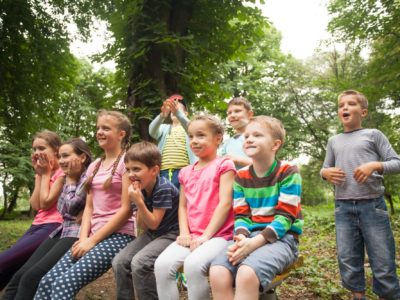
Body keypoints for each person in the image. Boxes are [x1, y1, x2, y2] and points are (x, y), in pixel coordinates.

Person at [34, 110, 136, 300]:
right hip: (91, 235)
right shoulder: (95, 165)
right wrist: (82, 239)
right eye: (98, 128)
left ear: (121, 134)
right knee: (47, 282)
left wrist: (92, 240)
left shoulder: (127, 162)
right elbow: (89, 207)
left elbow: (126, 209)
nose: (99, 132)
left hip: (120, 235)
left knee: (63, 284)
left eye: (106, 128)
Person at [210, 115, 303, 300]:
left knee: (247, 273)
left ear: (275, 145)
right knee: (218, 271)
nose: (249, 139)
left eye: (257, 135)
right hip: (250, 236)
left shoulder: (288, 171)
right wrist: (243, 237)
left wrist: (254, 243)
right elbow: (241, 215)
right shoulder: (241, 176)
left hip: (283, 239)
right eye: (246, 136)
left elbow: (285, 217)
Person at [320, 90, 400, 300]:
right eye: (341, 105)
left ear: (363, 111)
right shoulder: (333, 140)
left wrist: (375, 165)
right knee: (348, 258)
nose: (344, 108)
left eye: (351, 104)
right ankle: (358, 296)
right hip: (343, 208)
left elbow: (396, 162)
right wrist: (326, 173)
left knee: (382, 258)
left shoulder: (373, 135)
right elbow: (324, 168)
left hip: (372, 206)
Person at [154, 114, 236, 300]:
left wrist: (206, 235)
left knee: (193, 265)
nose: (194, 141)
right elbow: (183, 206)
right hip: (192, 236)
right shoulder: (185, 172)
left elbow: (225, 203)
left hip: (219, 235)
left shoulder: (224, 164)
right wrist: (184, 233)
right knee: (161, 265)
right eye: (191, 136)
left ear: (218, 139)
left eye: (201, 135)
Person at [1, 138, 92, 300]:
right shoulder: (64, 178)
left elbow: (69, 206)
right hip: (61, 230)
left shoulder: (87, 178)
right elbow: (62, 210)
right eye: (60, 157)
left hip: (75, 233)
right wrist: (43, 175)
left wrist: (69, 181)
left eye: (65, 156)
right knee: (19, 276)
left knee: (31, 278)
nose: (62, 160)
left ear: (82, 158)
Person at [112, 141, 179, 300]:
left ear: (154, 170)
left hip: (172, 234)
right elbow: (143, 225)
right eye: (128, 169)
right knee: (119, 262)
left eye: (136, 169)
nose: (130, 174)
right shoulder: (139, 190)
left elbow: (154, 222)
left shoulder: (163, 188)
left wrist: (139, 202)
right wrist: (138, 200)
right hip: (153, 233)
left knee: (140, 263)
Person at [0, 130, 64, 290]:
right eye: (34, 149)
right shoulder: (41, 173)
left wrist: (46, 174)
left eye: (42, 148)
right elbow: (36, 205)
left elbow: (46, 204)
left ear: (56, 150)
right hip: (36, 225)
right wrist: (40, 175)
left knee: (4, 261)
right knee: (8, 270)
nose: (36, 153)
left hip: (53, 226)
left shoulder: (62, 172)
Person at [149, 94, 195, 188]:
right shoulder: (164, 128)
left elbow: (191, 128)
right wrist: (162, 116)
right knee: (165, 200)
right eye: (172, 109)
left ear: (185, 113)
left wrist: (178, 113)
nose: (174, 110)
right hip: (163, 172)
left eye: (178, 108)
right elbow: (152, 131)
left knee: (181, 200)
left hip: (183, 171)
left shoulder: (189, 128)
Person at [219, 97, 253, 169]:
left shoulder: (257, 138)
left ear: (249, 114)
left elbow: (265, 165)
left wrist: (237, 160)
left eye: (237, 111)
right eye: (229, 113)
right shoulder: (226, 143)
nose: (232, 115)